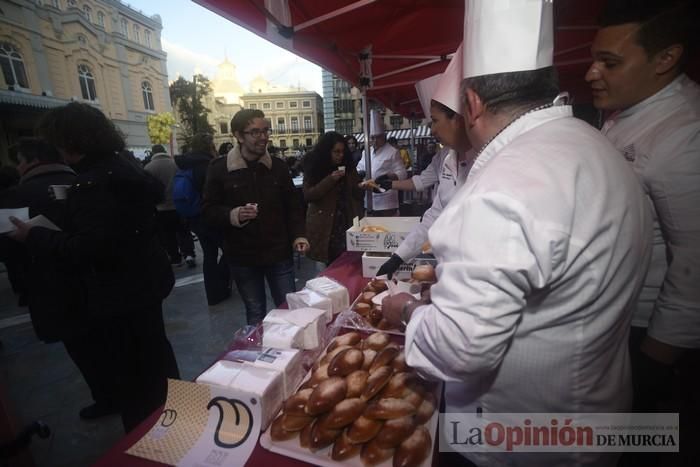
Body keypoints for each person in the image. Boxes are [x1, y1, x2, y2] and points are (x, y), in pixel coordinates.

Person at [382, 2, 652, 466]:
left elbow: (459, 351)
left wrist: (406, 310)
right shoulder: (597, 147)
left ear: (472, 104)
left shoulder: (500, 186)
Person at [8, 102, 179, 432]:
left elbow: (89, 247)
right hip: (145, 283)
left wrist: (36, 234)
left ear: (71, 140)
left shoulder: (92, 183)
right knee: (156, 358)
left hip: (118, 292)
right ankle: (177, 421)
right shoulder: (124, 168)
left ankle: (148, 439)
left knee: (132, 378)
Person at [585, 1, 699, 462]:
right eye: (594, 59)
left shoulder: (684, 133)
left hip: (647, 334)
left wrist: (654, 360)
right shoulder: (626, 112)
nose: (592, 73)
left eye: (609, 63)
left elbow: (694, 264)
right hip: (614, 322)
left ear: (666, 58)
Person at [202, 109, 309, 324]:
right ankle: (261, 355)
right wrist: (234, 214)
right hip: (242, 256)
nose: (263, 137)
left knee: (289, 310)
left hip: (278, 253)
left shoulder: (277, 167)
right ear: (239, 136)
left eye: (265, 131)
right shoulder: (219, 168)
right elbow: (208, 210)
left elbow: (293, 206)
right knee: (255, 312)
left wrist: (299, 235)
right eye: (255, 132)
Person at [377, 45, 474, 278]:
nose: (431, 130)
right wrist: (399, 256)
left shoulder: (488, 161)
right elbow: (434, 214)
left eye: (435, 121)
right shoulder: (448, 157)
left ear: (458, 119)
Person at [175, 133, 231, 305]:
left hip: (194, 217)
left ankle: (212, 295)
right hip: (210, 216)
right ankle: (221, 286)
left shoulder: (185, 164)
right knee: (230, 249)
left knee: (209, 255)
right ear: (209, 146)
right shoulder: (208, 165)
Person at [302, 131, 364, 264]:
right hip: (324, 227)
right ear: (326, 151)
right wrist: (330, 179)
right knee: (328, 268)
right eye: (336, 152)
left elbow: (357, 194)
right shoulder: (314, 167)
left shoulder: (348, 166)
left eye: (342, 151)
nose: (340, 155)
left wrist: (362, 186)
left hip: (347, 224)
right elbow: (308, 195)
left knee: (349, 265)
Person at [144, 144, 196, 267]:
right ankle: (189, 253)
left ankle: (175, 258)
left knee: (168, 234)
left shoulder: (148, 168)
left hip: (161, 207)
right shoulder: (175, 164)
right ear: (164, 151)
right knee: (184, 231)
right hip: (179, 204)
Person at [357, 110, 407, 216]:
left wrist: (391, 176)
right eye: (372, 138)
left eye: (378, 137)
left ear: (384, 136)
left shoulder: (393, 152)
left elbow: (403, 173)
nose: (375, 141)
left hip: (387, 203)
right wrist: (360, 178)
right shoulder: (366, 152)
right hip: (369, 200)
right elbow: (360, 168)